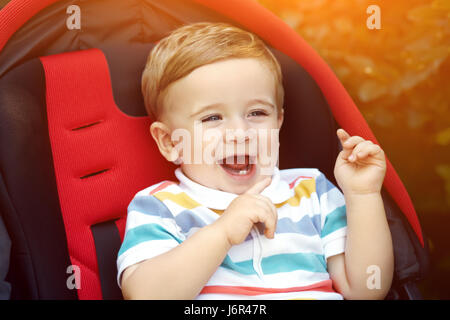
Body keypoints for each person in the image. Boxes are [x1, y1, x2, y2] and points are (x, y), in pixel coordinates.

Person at [116, 22, 393, 300]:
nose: (240, 133)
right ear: (170, 142)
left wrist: (363, 194)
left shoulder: (312, 191)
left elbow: (367, 291)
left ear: (279, 121)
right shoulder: (162, 206)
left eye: (257, 113)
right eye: (212, 118)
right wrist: (222, 233)